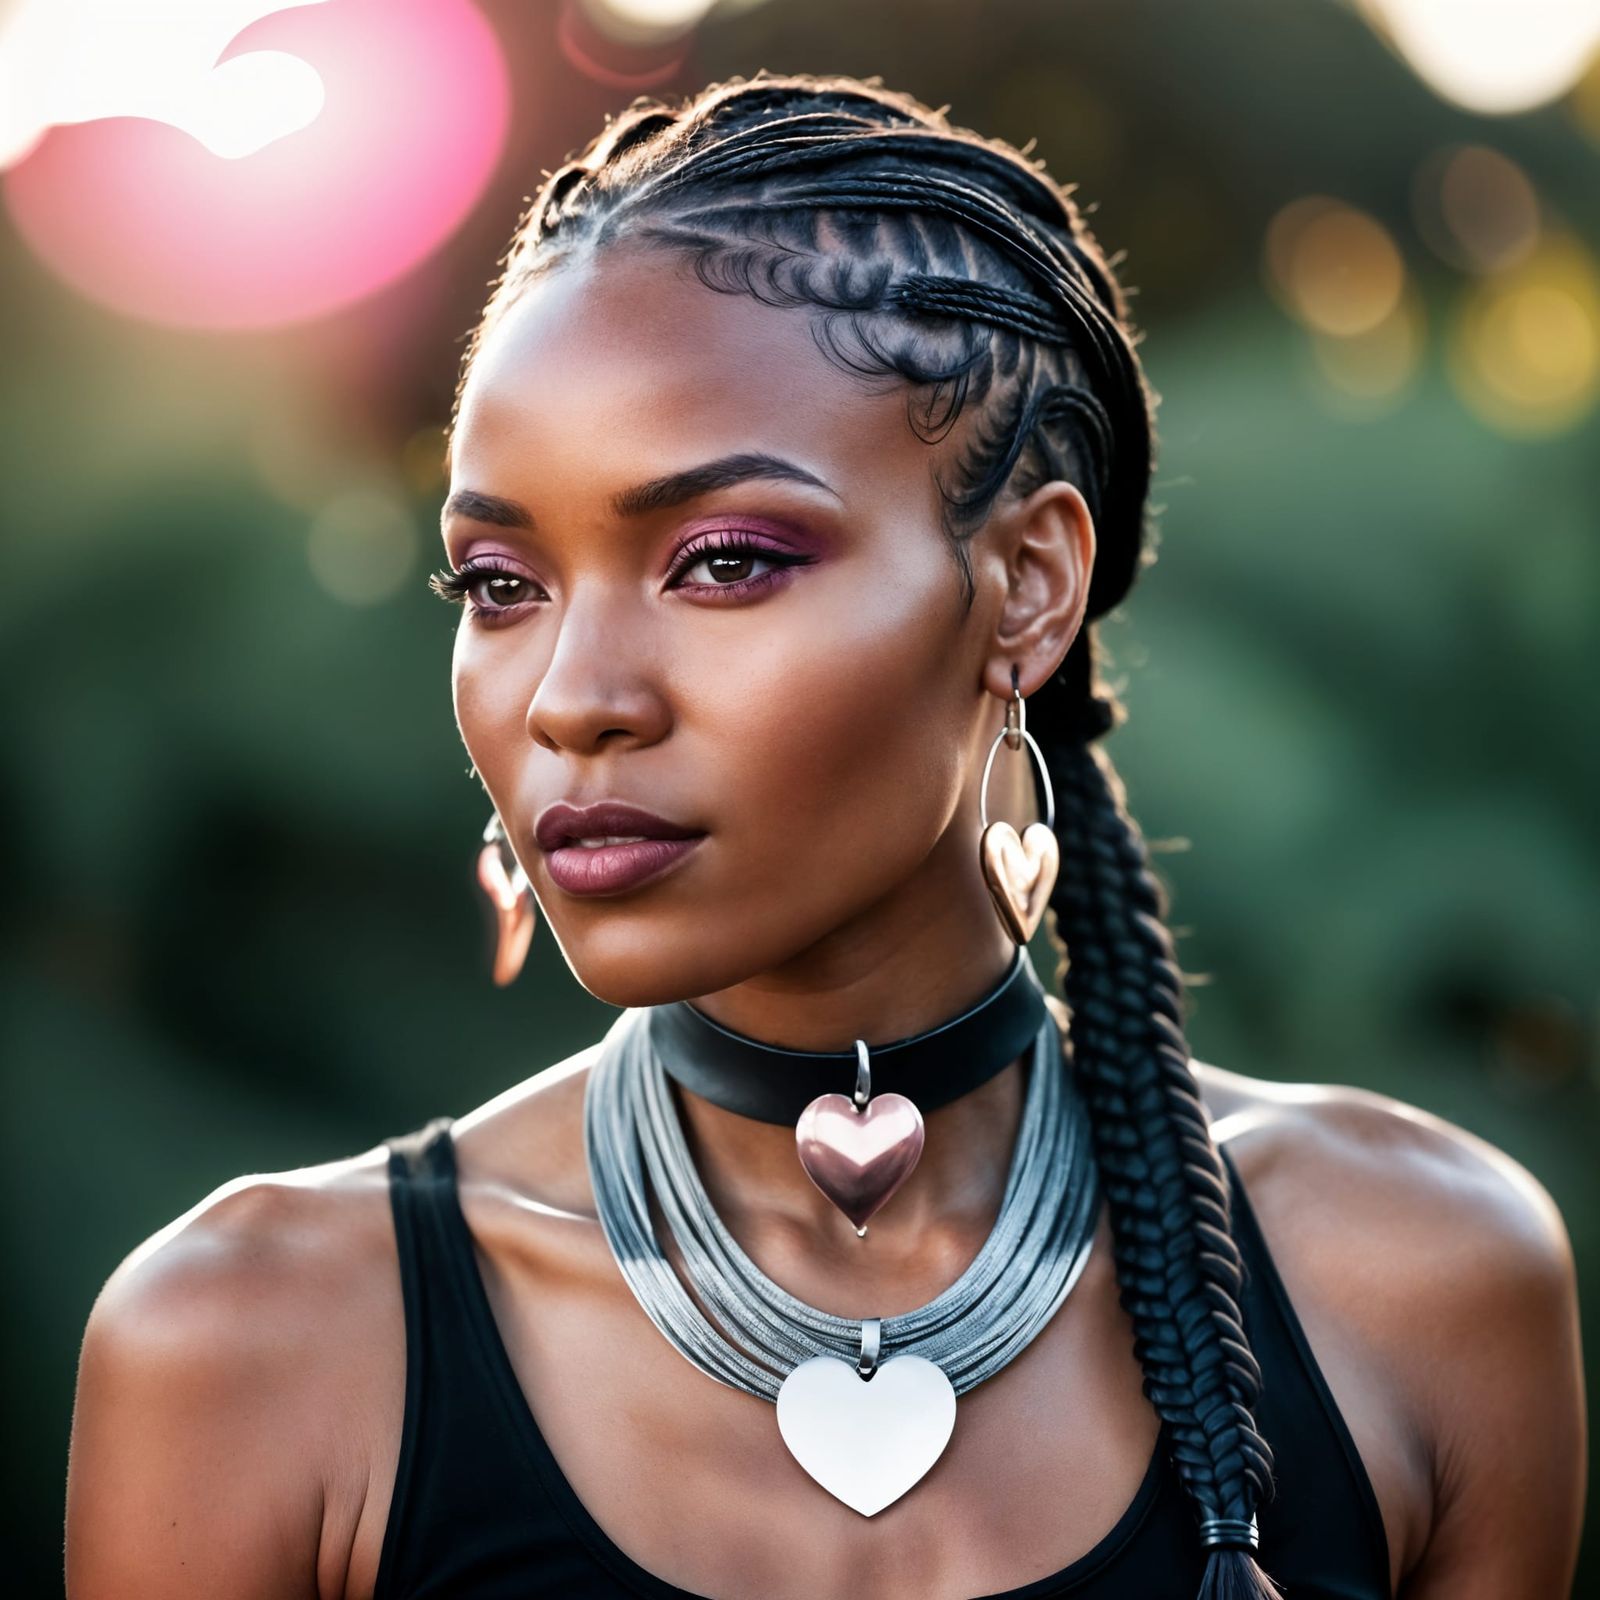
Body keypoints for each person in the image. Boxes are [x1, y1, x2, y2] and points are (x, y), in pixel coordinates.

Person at [64, 72, 1585, 1600]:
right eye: (501, 585)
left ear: (1031, 586)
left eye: (722, 562)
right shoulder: (257, 1352)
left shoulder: (1417, 1286)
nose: (574, 699)